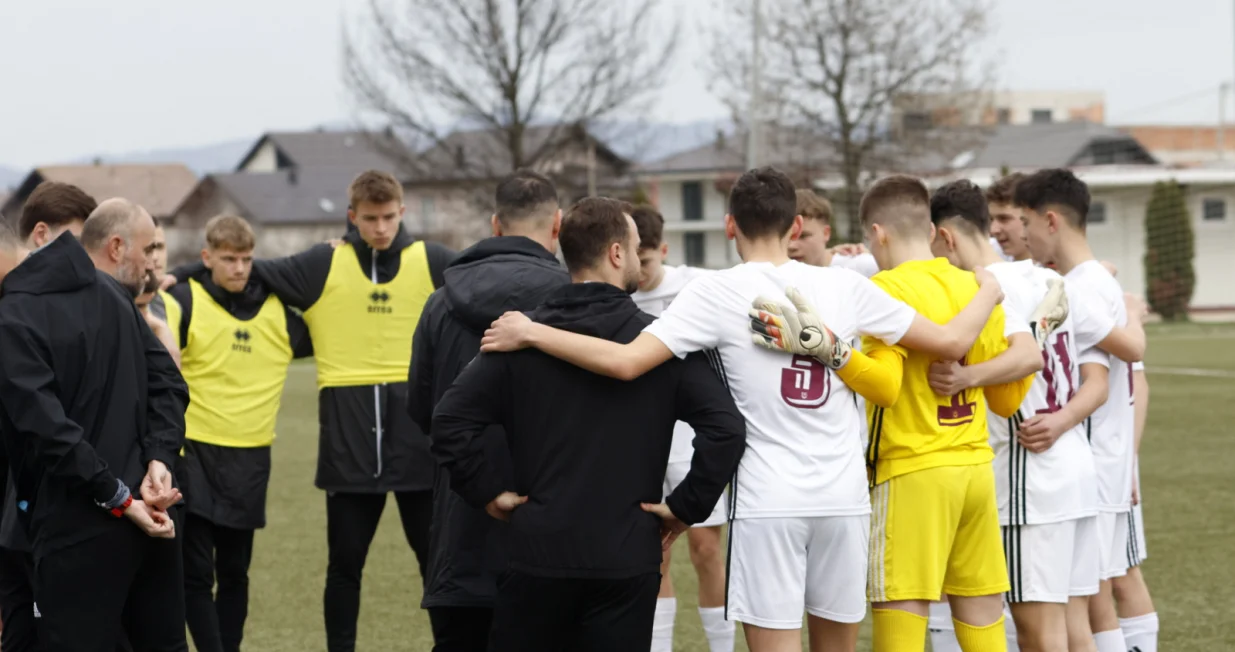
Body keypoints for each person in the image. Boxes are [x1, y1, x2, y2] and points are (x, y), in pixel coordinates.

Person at [481, 167, 1011, 652]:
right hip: (843, 501)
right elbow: (948, 342)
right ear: (796, 223)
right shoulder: (847, 285)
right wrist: (989, 286)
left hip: (769, 503)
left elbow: (624, 364)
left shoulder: (716, 291)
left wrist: (533, 331)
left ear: (729, 225)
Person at [432, 196, 746, 651]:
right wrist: (684, 508)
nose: (641, 259)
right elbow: (726, 429)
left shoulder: (519, 339)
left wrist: (486, 491)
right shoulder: (657, 344)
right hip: (625, 556)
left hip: (536, 550)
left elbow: (448, 420)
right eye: (637, 248)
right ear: (616, 254)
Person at [166, 170, 454, 652]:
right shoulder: (324, 263)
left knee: (437, 565)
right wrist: (180, 275)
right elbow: (244, 269)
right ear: (352, 216)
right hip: (348, 449)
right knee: (344, 568)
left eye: (388, 217)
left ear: (403, 213)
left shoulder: (434, 261)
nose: (380, 227)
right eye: (369, 219)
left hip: (416, 447)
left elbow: (484, 281)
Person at [758, 175, 1047, 652]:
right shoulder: (975, 286)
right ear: (932, 232)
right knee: (981, 616)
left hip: (913, 469)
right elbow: (1006, 401)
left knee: (902, 612)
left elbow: (886, 387)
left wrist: (830, 351)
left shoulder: (882, 290)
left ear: (878, 233)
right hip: (975, 470)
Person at [0, 199, 190, 651]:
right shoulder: (109, 292)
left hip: (81, 528)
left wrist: (121, 496)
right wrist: (158, 462)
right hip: (153, 516)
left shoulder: (13, 316)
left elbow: (49, 431)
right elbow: (170, 385)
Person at [926, 180, 1107, 652]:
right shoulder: (1048, 278)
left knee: (1038, 634)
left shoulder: (988, 288)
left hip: (1032, 475)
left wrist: (966, 378)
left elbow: (1028, 359)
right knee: (1074, 628)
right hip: (1075, 468)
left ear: (944, 237)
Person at [408, 170, 569, 651]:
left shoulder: (439, 305)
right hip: (554, 531)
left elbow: (422, 410)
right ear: (557, 226)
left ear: (495, 225)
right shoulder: (574, 303)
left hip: (462, 530)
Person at [165, 215, 313, 652]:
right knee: (195, 575)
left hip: (250, 457)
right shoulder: (182, 301)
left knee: (235, 572)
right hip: (192, 453)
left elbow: (325, 310)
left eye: (247, 259)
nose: (239, 268)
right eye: (228, 259)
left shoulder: (278, 313)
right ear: (207, 257)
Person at [1014, 168, 1147, 652]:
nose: (1022, 235)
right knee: (1087, 604)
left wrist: (1061, 420)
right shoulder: (1092, 279)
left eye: (1025, 222)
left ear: (1051, 221)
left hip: (1088, 462)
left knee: (1078, 608)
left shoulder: (1079, 288)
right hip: (1101, 461)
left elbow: (1127, 353)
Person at [0, 180, 99, 652]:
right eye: (79, 243)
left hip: (34, 508)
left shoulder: (62, 307)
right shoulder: (17, 305)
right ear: (41, 234)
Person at [628, 204, 732, 652]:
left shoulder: (696, 285)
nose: (640, 270)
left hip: (692, 446)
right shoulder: (617, 294)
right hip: (643, 446)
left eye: (647, 260)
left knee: (707, 551)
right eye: (634, 258)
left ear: (662, 251)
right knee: (656, 556)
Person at [1112, 363, 1158, 652]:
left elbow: (1137, 383)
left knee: (1120, 573)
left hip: (1110, 462)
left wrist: (1127, 462)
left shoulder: (1117, 316)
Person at [787, 188, 880, 276]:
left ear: (826, 233)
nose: (792, 246)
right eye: (786, 236)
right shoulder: (776, 273)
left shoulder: (862, 267)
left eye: (803, 236)